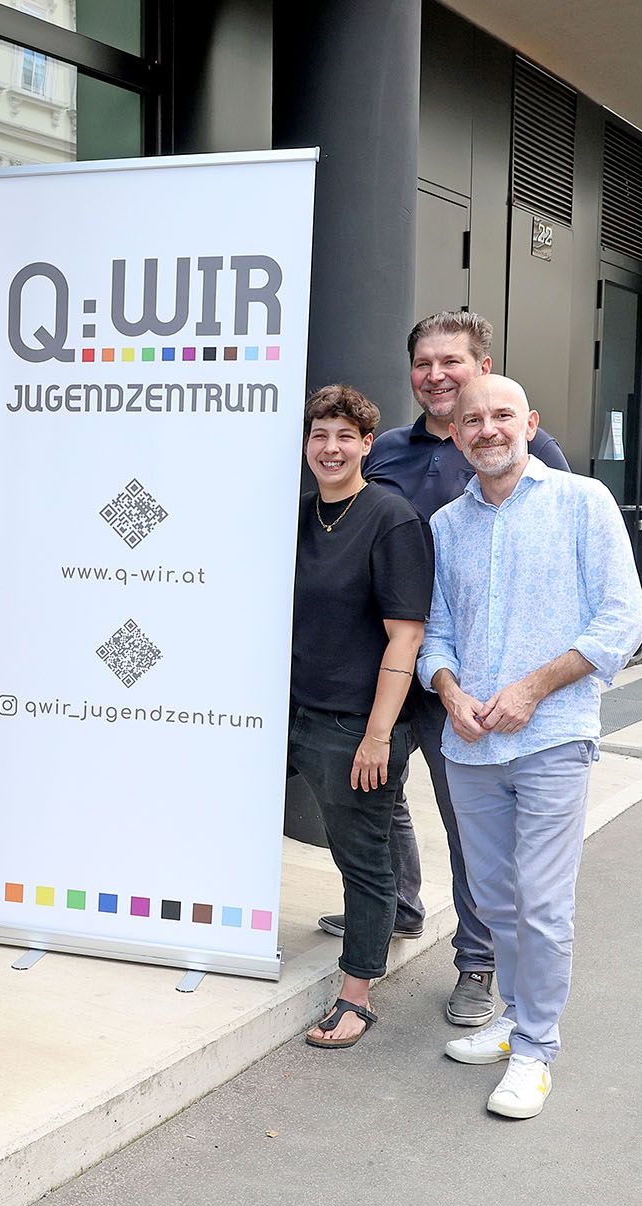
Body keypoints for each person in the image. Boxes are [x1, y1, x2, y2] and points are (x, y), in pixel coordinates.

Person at [324, 310, 574, 1031]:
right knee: (378, 789)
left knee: (470, 828)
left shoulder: (523, 445)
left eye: (452, 362)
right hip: (387, 663)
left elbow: (546, 551)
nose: (436, 375)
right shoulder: (388, 451)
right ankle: (401, 902)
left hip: (469, 681)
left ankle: (476, 960)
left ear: (483, 365)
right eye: (424, 362)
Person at [420, 375, 642, 1118]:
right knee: (494, 900)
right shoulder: (447, 525)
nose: (487, 429)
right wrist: (450, 691)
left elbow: (621, 622)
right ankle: (516, 1020)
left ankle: (538, 1049)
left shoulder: (582, 504)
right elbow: (437, 633)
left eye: (501, 416)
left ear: (530, 423)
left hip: (551, 737)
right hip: (470, 745)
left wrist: (532, 688)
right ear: (454, 434)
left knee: (543, 903)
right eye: (472, 419)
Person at [290, 386, 435, 1048]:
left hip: (356, 722)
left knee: (363, 860)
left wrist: (380, 735)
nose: (331, 447)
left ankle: (356, 994)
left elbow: (405, 637)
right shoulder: (299, 517)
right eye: (321, 434)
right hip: (293, 712)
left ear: (367, 445)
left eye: (345, 436)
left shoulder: (390, 518)